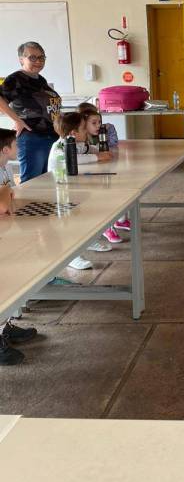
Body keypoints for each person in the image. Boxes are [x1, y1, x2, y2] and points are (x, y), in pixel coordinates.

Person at [48, 112, 118, 262]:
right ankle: (71, 257)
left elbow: (88, 149)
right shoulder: (60, 146)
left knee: (84, 217)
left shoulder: (79, 143)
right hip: (60, 192)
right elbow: (74, 159)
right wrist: (97, 157)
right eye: (83, 128)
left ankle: (87, 241)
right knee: (68, 224)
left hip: (75, 188)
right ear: (73, 133)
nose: (87, 131)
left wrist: (99, 151)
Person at [0, 128, 38, 364]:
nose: (19, 147)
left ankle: (4, 327)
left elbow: (9, 198)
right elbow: (4, 205)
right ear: (5, 149)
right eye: (16, 144)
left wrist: (6, 194)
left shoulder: (5, 167)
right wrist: (5, 193)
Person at [0, 42, 61, 182]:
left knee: (47, 181)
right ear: (21, 59)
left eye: (41, 57)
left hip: (50, 136)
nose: (38, 61)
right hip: (33, 137)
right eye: (32, 57)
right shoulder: (16, 79)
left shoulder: (40, 79)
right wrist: (17, 120)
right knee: (32, 183)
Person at [79, 103, 130, 239]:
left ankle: (120, 220)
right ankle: (106, 227)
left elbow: (111, 144)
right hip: (83, 179)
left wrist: (108, 127)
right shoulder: (78, 141)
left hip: (96, 172)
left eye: (99, 122)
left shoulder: (97, 136)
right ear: (83, 125)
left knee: (120, 187)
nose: (98, 126)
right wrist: (97, 156)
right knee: (103, 196)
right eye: (94, 123)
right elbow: (80, 157)